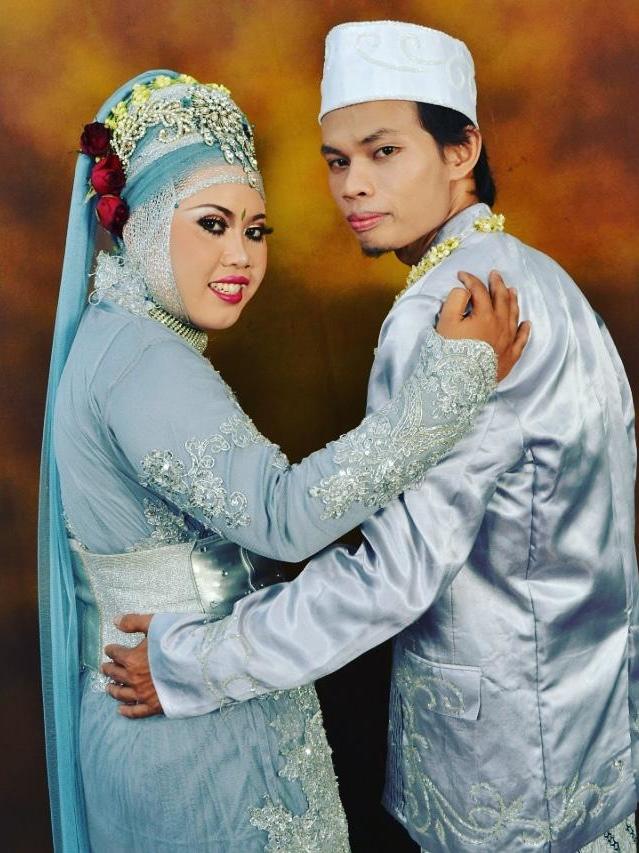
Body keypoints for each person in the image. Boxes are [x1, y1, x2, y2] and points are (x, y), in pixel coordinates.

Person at [114, 23, 638, 853]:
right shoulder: (541, 277)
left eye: (383, 152)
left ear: (462, 150)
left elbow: (393, 576)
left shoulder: (443, 310)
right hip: (593, 735)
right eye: (336, 161)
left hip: (499, 764)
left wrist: (197, 661)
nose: (352, 185)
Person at [38, 69, 525, 852]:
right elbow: (283, 519)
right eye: (212, 224)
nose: (240, 256)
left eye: (256, 230)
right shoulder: (144, 362)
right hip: (189, 735)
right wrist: (452, 382)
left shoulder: (115, 336)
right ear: (142, 220)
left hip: (174, 701)